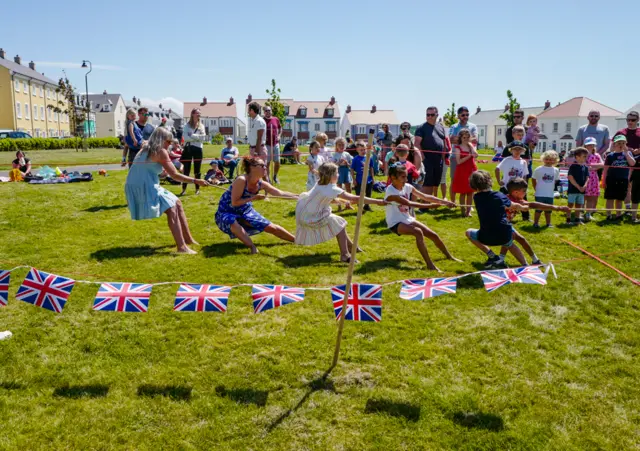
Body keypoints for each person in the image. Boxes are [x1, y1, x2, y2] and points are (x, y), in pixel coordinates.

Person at [124, 127, 209, 255]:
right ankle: (182, 248)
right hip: (143, 185)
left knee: (177, 203)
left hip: (137, 183)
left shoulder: (146, 148)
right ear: (161, 140)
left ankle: (188, 239)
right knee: (172, 207)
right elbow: (175, 175)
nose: (170, 144)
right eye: (168, 141)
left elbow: (152, 169)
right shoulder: (160, 151)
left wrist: (162, 173)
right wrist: (196, 181)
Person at [295, 163, 385, 263]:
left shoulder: (320, 183)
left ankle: (351, 246)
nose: (338, 175)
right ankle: (345, 255)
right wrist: (378, 202)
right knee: (339, 223)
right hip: (311, 216)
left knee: (337, 222)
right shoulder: (331, 188)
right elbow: (356, 198)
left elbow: (328, 199)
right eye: (337, 173)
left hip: (304, 213)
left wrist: (344, 202)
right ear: (331, 176)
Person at [214, 157, 298, 254]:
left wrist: (300, 197)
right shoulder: (241, 180)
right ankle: (252, 247)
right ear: (252, 167)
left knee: (271, 227)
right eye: (262, 166)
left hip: (245, 210)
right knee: (232, 221)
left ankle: (296, 240)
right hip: (226, 211)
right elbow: (234, 203)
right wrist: (253, 198)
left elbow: (280, 193)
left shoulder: (261, 183)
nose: (265, 168)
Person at [384, 164, 459, 271]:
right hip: (395, 223)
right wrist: (431, 206)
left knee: (433, 235)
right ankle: (430, 265)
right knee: (418, 232)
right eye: (403, 177)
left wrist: (445, 202)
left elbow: (426, 196)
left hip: (407, 218)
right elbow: (410, 203)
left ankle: (449, 256)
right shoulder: (390, 192)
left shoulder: (407, 187)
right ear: (392, 177)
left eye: (406, 176)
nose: (406, 179)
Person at [465, 170, 528, 269]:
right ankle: (525, 265)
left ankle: (492, 256)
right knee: (510, 244)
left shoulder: (476, 197)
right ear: (489, 181)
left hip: (485, 237)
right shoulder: (499, 195)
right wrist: (524, 208)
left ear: (473, 185)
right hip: (504, 236)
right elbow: (514, 205)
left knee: (468, 232)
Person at [504, 178, 569, 264]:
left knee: (520, 239)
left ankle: (535, 260)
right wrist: (556, 208)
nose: (525, 193)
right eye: (524, 191)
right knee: (508, 239)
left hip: (505, 224)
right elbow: (534, 205)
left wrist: (557, 208)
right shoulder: (509, 201)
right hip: (498, 225)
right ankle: (501, 259)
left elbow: (534, 205)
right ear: (515, 192)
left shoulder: (518, 200)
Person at [415, 106, 448, 197]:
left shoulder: (440, 126)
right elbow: (417, 144)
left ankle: (429, 203)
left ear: (437, 115)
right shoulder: (421, 128)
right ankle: (424, 206)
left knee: (435, 182)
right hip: (427, 159)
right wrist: (423, 158)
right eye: (427, 115)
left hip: (438, 160)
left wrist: (443, 157)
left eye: (432, 115)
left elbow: (443, 141)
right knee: (427, 183)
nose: (429, 116)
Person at [448, 106, 478, 203]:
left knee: (470, 181)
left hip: (469, 159)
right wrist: (468, 138)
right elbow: (451, 139)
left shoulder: (473, 126)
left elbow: (476, 139)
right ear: (458, 116)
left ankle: (469, 205)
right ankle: (452, 202)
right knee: (454, 180)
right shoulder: (454, 126)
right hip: (455, 157)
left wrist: (460, 139)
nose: (465, 117)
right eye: (463, 115)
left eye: (467, 114)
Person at [613, 110, 640, 214]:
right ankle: (627, 207)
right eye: (628, 120)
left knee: (634, 186)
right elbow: (613, 146)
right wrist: (626, 149)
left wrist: (638, 150)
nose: (630, 122)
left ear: (638, 120)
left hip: (638, 161)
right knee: (626, 184)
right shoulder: (621, 132)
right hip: (623, 160)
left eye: (633, 120)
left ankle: (633, 207)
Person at [603, 135, 635, 220]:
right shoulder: (610, 156)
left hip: (623, 180)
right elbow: (605, 169)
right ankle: (608, 215)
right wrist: (603, 180)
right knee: (610, 198)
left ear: (626, 144)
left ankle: (618, 214)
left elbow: (632, 164)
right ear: (614, 144)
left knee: (619, 199)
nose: (621, 145)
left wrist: (626, 152)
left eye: (623, 143)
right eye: (619, 143)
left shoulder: (628, 154)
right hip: (611, 179)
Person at [496, 140, 530, 221]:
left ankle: (526, 217)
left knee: (523, 201)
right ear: (511, 150)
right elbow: (497, 169)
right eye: (515, 149)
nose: (517, 151)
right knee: (501, 202)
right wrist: (499, 181)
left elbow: (525, 174)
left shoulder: (523, 162)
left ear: (522, 151)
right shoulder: (507, 160)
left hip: (518, 188)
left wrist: (524, 185)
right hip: (506, 186)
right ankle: (500, 216)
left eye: (519, 149)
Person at [180, 108, 208, 196]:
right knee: (186, 170)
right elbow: (186, 138)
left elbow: (203, 138)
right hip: (188, 148)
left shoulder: (201, 126)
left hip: (198, 149)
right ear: (192, 114)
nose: (199, 115)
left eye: (200, 113)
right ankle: (184, 189)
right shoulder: (187, 126)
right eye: (197, 113)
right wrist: (197, 137)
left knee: (197, 170)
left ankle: (197, 189)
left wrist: (192, 135)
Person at [451, 129, 478, 217]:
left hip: (471, 169)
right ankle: (463, 210)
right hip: (462, 171)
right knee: (463, 192)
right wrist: (469, 156)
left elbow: (476, 155)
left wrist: (471, 147)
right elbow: (458, 161)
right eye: (464, 137)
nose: (466, 139)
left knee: (470, 192)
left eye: (467, 137)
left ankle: (468, 211)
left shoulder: (471, 146)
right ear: (461, 138)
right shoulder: (458, 147)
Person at [531, 150, 560, 227]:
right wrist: (535, 188)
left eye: (551, 160)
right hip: (540, 193)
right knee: (538, 209)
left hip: (550, 194)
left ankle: (548, 223)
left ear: (555, 161)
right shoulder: (539, 169)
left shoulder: (556, 170)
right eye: (546, 159)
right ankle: (536, 223)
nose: (548, 161)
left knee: (548, 210)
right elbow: (533, 179)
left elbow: (556, 180)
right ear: (543, 159)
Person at [566, 147, 590, 224]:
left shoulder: (585, 167)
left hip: (582, 190)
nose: (586, 158)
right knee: (570, 204)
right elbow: (570, 177)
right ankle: (568, 220)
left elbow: (587, 177)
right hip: (573, 189)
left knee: (579, 205)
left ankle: (577, 219)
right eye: (584, 156)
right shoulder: (573, 166)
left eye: (586, 156)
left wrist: (585, 186)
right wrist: (578, 187)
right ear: (577, 157)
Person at [351, 140, 375, 212]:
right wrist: (354, 180)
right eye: (361, 150)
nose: (363, 151)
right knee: (359, 194)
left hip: (368, 180)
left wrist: (373, 178)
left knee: (368, 193)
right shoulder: (355, 159)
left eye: (364, 149)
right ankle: (360, 208)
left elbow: (371, 168)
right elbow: (352, 169)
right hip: (359, 180)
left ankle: (367, 206)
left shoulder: (369, 158)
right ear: (357, 150)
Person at [583, 137, 604, 221]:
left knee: (591, 196)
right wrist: (589, 166)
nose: (590, 146)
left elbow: (602, 164)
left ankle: (588, 213)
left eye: (592, 145)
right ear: (585, 146)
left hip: (594, 177)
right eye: (588, 145)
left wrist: (594, 166)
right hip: (584, 177)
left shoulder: (597, 155)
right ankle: (580, 212)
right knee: (583, 196)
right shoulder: (583, 155)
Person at [331, 137, 353, 211]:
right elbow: (332, 165)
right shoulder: (334, 154)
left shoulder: (347, 154)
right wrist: (338, 163)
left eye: (343, 145)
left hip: (346, 171)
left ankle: (348, 204)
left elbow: (351, 164)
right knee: (339, 190)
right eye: (339, 145)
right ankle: (339, 205)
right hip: (338, 172)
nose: (341, 146)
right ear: (336, 145)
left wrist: (347, 163)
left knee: (348, 188)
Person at [263, 106, 282, 183]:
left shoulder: (276, 119)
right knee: (267, 163)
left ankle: (275, 176)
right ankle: (268, 179)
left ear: (271, 111)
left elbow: (280, 128)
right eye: (266, 111)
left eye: (269, 110)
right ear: (264, 112)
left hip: (275, 143)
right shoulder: (262, 121)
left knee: (277, 161)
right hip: (267, 144)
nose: (268, 112)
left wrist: (279, 135)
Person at [247, 102, 267, 169]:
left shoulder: (259, 121)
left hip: (259, 149)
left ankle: (267, 180)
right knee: (255, 172)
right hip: (254, 148)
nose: (248, 112)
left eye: (248, 110)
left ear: (252, 110)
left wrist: (256, 152)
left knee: (262, 172)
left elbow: (259, 138)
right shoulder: (254, 120)